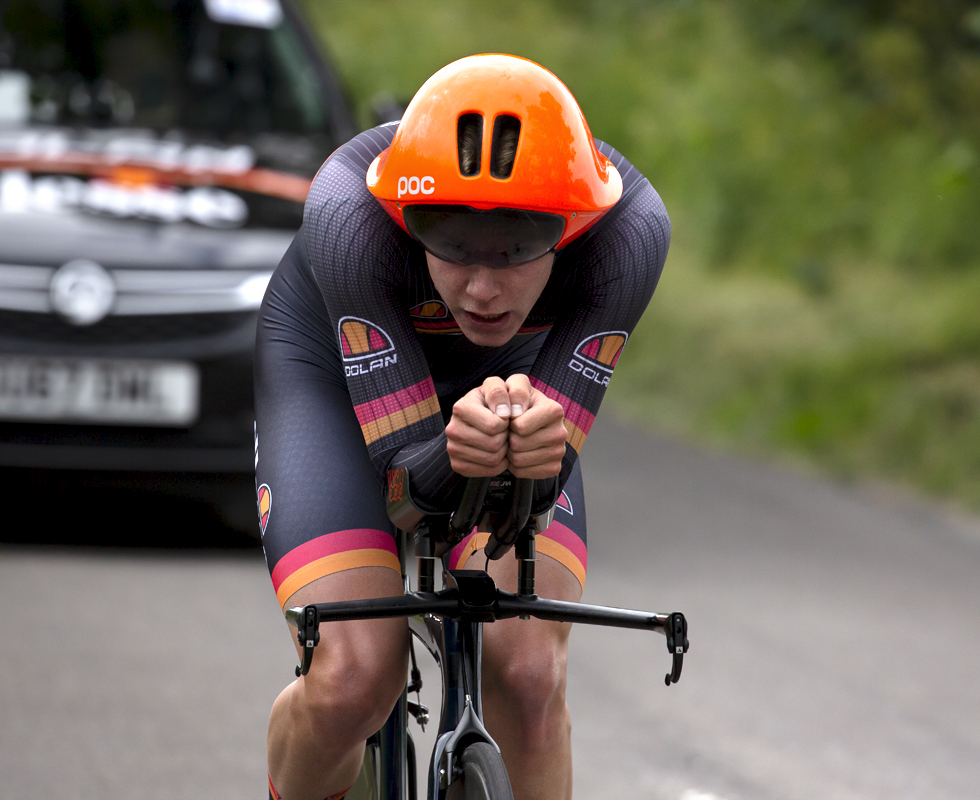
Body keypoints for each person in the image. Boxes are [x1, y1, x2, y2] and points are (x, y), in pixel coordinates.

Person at [254, 54, 670, 800]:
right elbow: (410, 492)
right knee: (351, 680)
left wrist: (532, 454)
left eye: (517, 247)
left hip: (513, 380)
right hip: (332, 379)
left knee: (530, 675)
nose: (482, 287)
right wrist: (455, 452)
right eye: (446, 240)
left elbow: (537, 487)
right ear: (407, 217)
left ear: (573, 225)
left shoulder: (629, 233)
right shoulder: (348, 213)